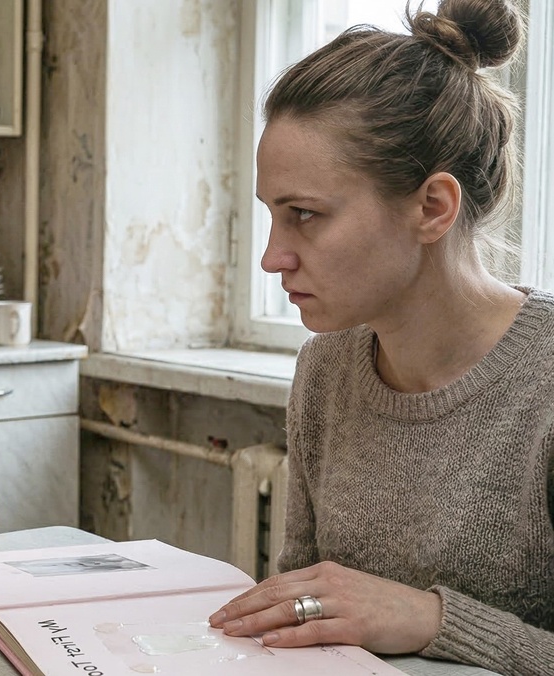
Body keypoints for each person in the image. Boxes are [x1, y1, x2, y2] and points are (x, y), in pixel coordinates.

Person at [206, 1, 553, 673]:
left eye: (304, 215)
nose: (273, 257)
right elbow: (305, 624)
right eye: (273, 216)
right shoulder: (326, 370)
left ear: (432, 207)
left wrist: (430, 619)